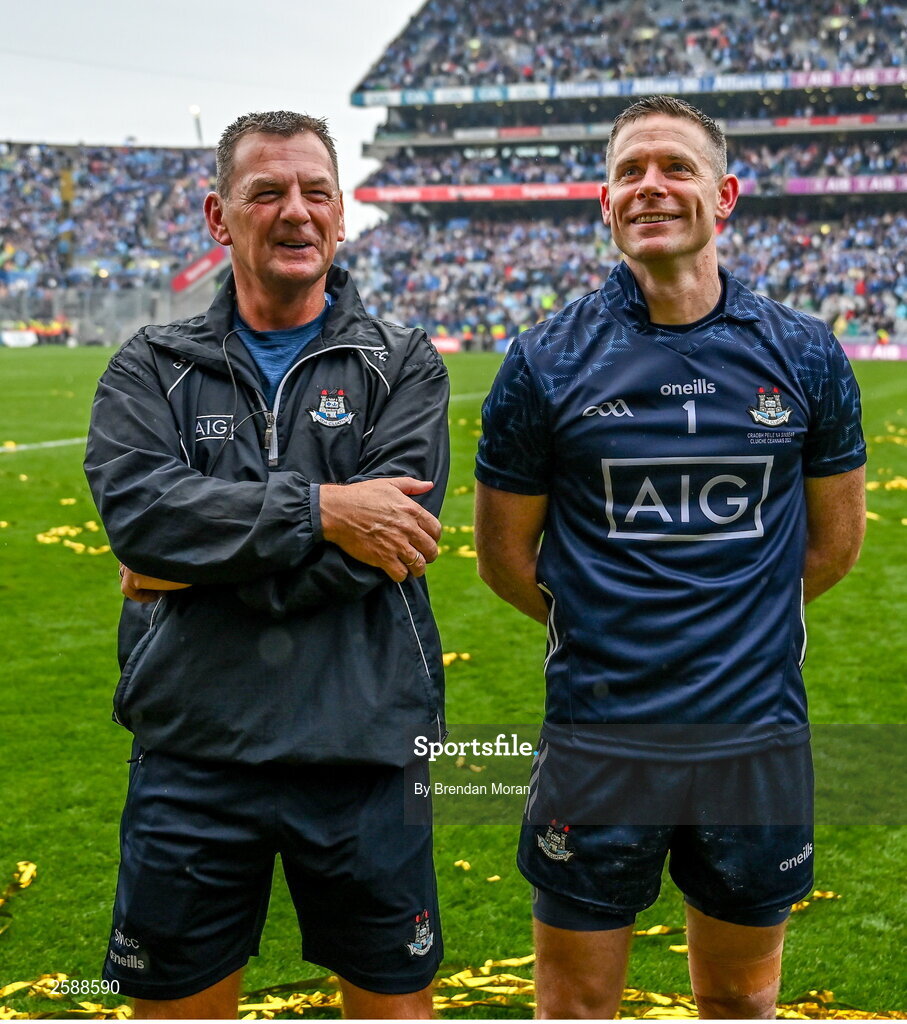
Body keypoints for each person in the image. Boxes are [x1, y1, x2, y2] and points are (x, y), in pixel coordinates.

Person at [474, 95, 866, 1020]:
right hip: (599, 738)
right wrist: (617, 628)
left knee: (739, 1000)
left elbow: (833, 545)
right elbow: (503, 558)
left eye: (675, 167)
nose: (650, 185)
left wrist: (733, 615)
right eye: (628, 172)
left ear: (723, 195)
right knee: (574, 1006)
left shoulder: (804, 354)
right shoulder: (543, 362)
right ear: (603, 204)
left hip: (753, 738)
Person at [84, 110, 449, 1020]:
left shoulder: (401, 362)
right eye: (267, 192)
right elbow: (140, 517)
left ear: (340, 212)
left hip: (363, 744)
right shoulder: (149, 366)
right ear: (219, 217)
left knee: (395, 1006)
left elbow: (389, 546)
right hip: (194, 754)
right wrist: (326, 510)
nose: (296, 211)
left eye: (316, 191)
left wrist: (199, 561)